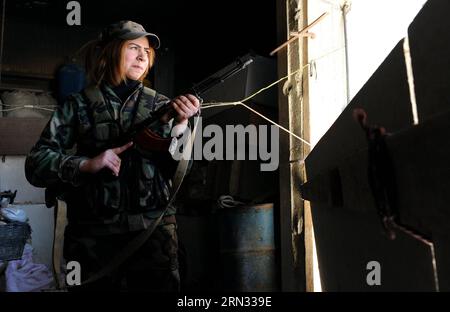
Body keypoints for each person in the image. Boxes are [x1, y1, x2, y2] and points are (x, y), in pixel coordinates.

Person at [25, 20, 200, 291]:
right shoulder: (78, 105)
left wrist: (179, 127)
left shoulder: (163, 105)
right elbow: (35, 165)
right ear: (110, 52)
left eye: (147, 51)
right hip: (93, 240)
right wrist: (85, 164)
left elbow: (184, 176)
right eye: (133, 47)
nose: (143, 55)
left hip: (152, 236)